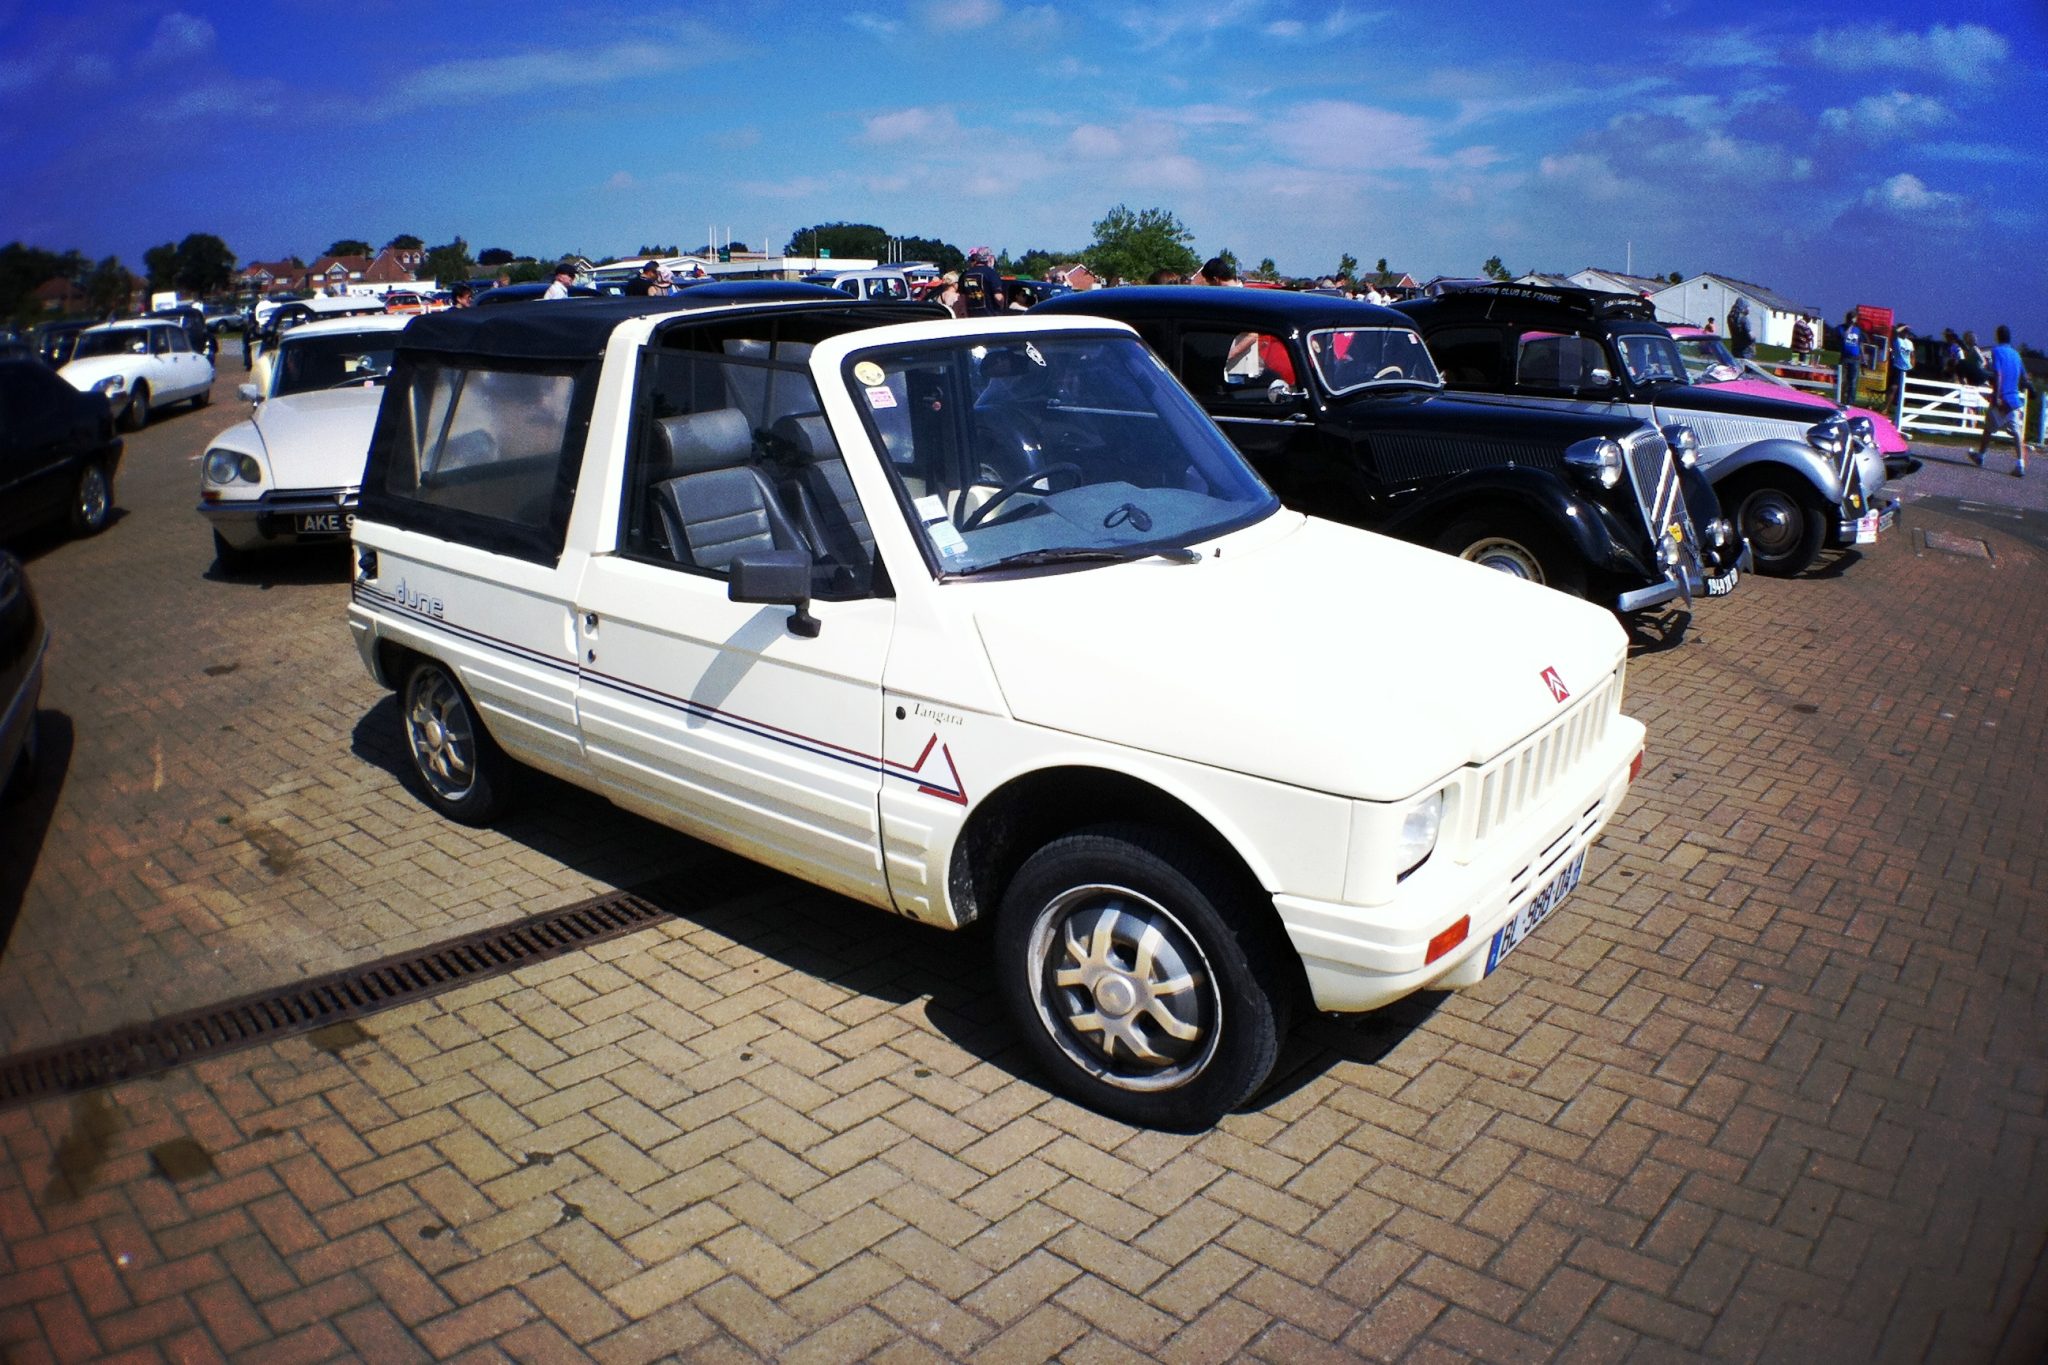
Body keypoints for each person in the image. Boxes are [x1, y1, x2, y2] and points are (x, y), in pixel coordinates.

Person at [1974, 324, 2029, 477]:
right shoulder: (2016, 355)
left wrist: (1996, 395)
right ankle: (2020, 464)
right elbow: (2024, 377)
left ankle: (1981, 456)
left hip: (2002, 398)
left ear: (1997, 336)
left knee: (1988, 428)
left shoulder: (1997, 351)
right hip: (2013, 400)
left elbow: (1997, 374)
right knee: (2017, 433)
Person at [957, 247, 1005, 316]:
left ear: (977, 258)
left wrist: (965, 313)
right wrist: (1001, 308)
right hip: (990, 316)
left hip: (972, 316)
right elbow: (998, 297)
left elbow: (962, 297)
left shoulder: (966, 274)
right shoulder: (991, 273)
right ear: (989, 258)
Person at [1838, 311, 1862, 404]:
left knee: (1853, 381)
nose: (1853, 319)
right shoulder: (1841, 328)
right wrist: (1850, 326)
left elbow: (1859, 343)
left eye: (1854, 318)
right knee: (1843, 380)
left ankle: (1850, 402)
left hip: (1855, 358)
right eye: (1852, 317)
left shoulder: (1858, 330)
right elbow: (1844, 337)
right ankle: (1840, 399)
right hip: (1845, 357)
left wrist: (1862, 357)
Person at [1888, 326, 1914, 408]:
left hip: (1907, 368)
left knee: (1903, 390)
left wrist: (1912, 364)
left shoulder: (1910, 343)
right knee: (1893, 388)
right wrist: (1905, 326)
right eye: (1905, 331)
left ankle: (1899, 408)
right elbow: (1894, 331)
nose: (1906, 333)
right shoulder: (1897, 340)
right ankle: (1886, 408)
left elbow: (1912, 355)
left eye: (1907, 332)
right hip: (1898, 367)